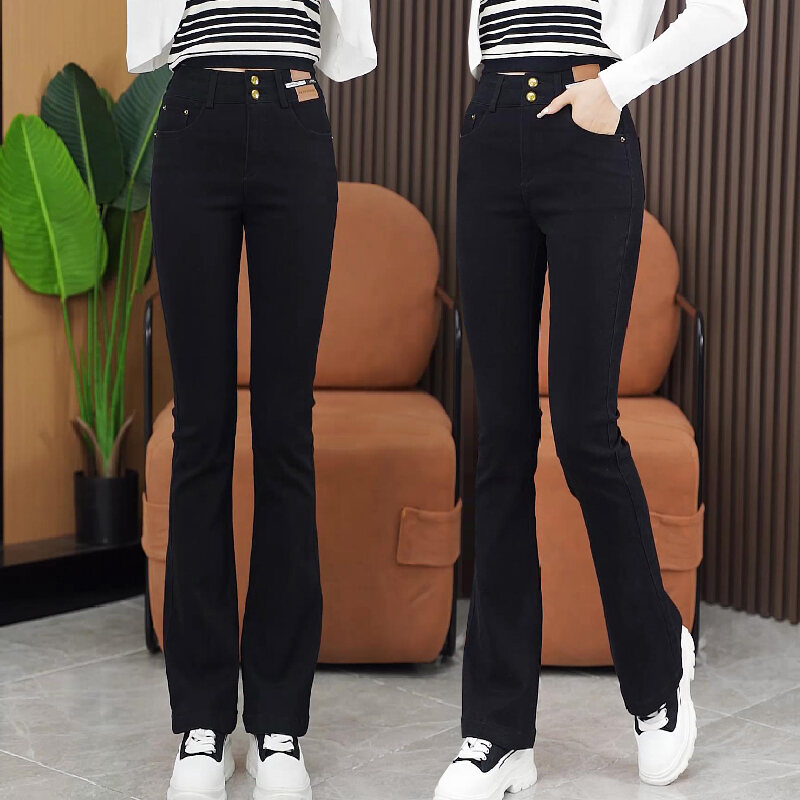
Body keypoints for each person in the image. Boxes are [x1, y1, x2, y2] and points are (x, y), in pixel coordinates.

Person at [434, 1, 747, 798]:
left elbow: (725, 13)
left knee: (583, 431)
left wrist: (618, 85)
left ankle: (657, 676)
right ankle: (499, 734)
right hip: (491, 124)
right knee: (502, 438)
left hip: (589, 124)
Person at [125, 2, 376, 799]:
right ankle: (201, 721)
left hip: (294, 119)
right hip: (192, 116)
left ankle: (278, 724)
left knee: (285, 430)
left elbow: (344, 42)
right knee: (200, 429)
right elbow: (151, 39)